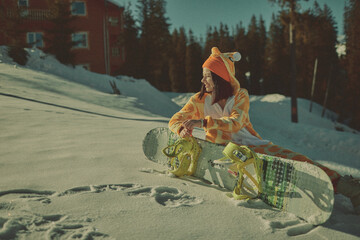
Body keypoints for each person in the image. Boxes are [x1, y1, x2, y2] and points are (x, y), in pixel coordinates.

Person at [169, 47, 360, 214]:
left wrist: (202, 122)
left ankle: (349, 188)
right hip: (222, 151)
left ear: (220, 77)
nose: (203, 80)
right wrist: (181, 128)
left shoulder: (240, 96)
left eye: (207, 75)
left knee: (299, 161)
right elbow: (175, 119)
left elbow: (235, 123)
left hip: (253, 147)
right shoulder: (199, 100)